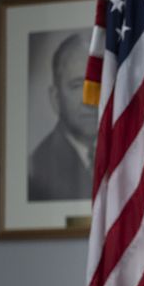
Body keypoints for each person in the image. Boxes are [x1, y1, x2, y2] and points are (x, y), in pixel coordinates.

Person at [28, 32, 97, 201]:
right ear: (56, 98)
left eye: (96, 83)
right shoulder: (35, 169)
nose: (88, 100)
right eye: (76, 86)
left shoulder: (130, 154)